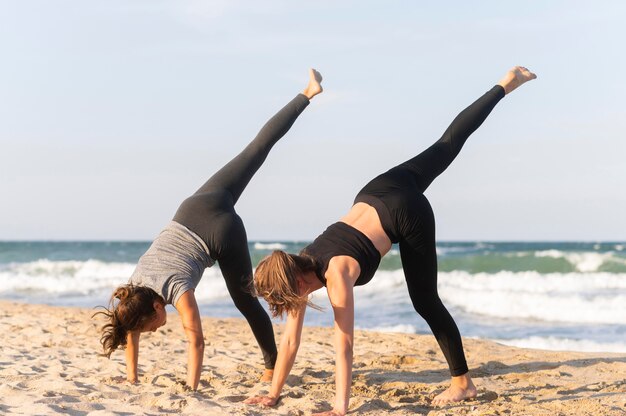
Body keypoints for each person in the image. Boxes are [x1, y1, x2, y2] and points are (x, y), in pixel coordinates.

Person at [247, 66, 536, 414]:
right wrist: (273, 393)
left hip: (406, 212)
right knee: (446, 145)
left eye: (284, 299)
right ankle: (505, 85)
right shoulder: (296, 263)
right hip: (378, 189)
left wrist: (340, 409)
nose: (287, 306)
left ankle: (463, 383)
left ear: (294, 282)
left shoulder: (335, 274)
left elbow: (344, 345)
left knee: (425, 301)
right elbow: (291, 340)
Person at [94, 69, 323, 390]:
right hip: (194, 207)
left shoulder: (177, 291)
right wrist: (131, 378)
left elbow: (197, 341)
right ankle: (308, 92)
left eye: (153, 326)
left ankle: (272, 367)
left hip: (219, 232)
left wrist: (191, 388)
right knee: (256, 150)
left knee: (246, 300)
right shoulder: (134, 291)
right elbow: (130, 328)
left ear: (158, 307)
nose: (156, 330)